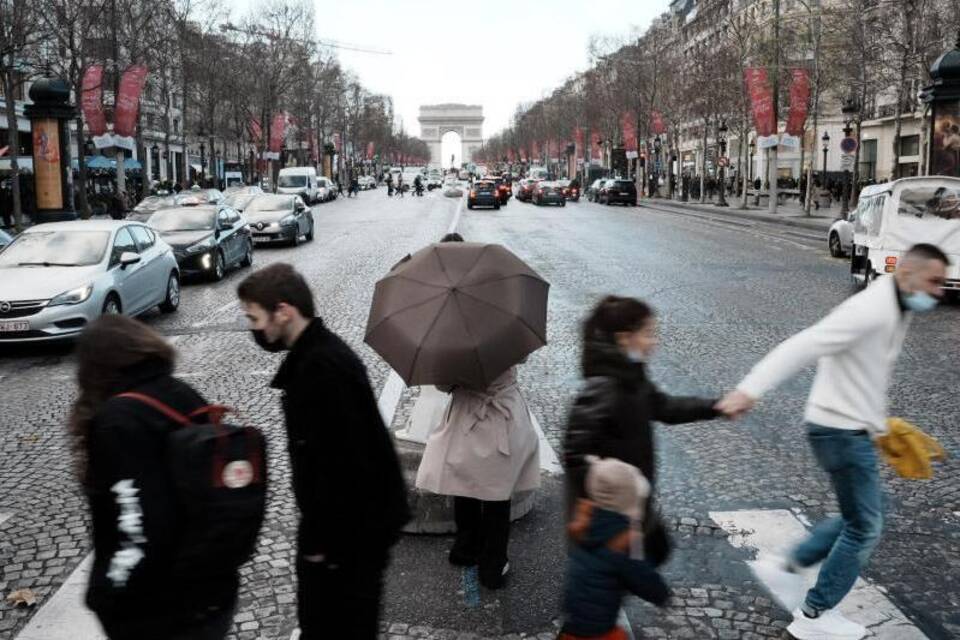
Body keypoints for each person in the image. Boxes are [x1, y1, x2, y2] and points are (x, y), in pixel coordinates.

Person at [717, 244, 951, 640]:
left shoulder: (897, 305)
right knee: (865, 525)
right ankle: (814, 614)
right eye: (934, 281)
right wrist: (749, 389)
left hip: (847, 427)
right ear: (907, 274)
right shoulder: (870, 311)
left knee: (866, 510)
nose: (940, 291)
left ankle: (792, 563)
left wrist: (879, 426)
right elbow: (805, 345)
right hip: (839, 431)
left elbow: (865, 372)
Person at [237, 264, 410, 640]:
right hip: (350, 538)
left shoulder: (320, 369)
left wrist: (321, 547)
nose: (254, 329)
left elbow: (345, 468)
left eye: (254, 318)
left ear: (283, 311)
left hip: (347, 544)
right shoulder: (317, 358)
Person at [69, 315, 239, 640]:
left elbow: (138, 522)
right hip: (211, 588)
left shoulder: (116, 421)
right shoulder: (181, 392)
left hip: (159, 608)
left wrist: (107, 590)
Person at [563, 296, 721, 563]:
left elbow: (665, 407)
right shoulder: (606, 387)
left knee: (653, 553)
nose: (654, 342)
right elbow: (574, 451)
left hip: (631, 506)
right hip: (610, 516)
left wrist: (716, 407)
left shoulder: (631, 376)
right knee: (606, 587)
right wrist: (609, 491)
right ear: (625, 339)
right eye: (648, 334)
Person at [416, 362, 540, 589]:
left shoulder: (451, 342)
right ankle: (493, 565)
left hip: (467, 416)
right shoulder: (505, 330)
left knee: (464, 483)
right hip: (504, 414)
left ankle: (466, 547)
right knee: (498, 493)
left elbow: (443, 385)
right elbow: (521, 356)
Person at [559, 456, 670, 640]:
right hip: (597, 632)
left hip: (572, 625)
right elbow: (647, 583)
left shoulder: (585, 523)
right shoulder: (620, 542)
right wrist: (662, 595)